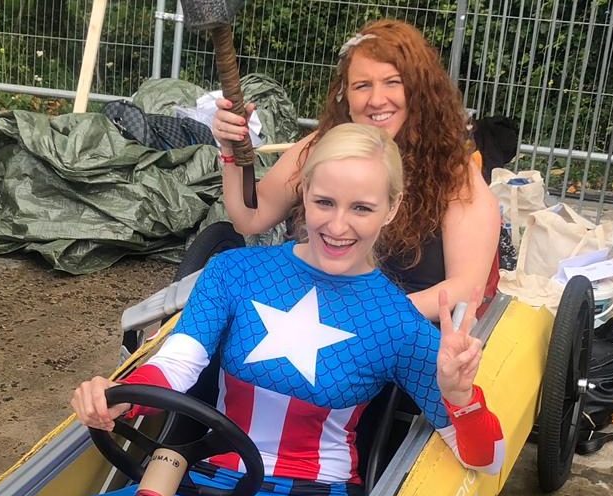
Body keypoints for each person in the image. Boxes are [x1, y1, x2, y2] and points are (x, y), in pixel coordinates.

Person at [59, 124, 504, 496]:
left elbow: (487, 459)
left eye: (362, 208)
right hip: (204, 486)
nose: (338, 226)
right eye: (325, 202)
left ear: (390, 209)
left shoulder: (399, 322)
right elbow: (177, 363)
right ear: (304, 192)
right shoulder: (234, 271)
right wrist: (119, 398)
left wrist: (460, 396)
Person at [212, 19, 501, 320]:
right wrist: (232, 151)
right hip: (306, 317)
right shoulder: (322, 148)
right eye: (362, 86)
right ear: (345, 95)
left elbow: (466, 288)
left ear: (419, 91)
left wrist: (365, 315)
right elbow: (250, 217)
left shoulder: (453, 172)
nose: (376, 100)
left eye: (392, 82)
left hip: (399, 331)